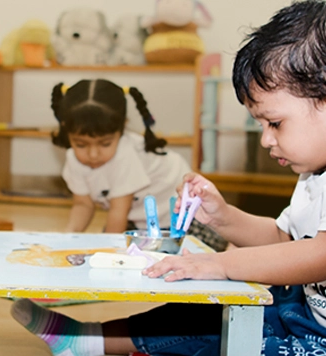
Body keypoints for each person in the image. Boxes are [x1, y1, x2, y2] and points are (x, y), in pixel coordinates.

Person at [12, 1, 326, 356]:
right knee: (222, 315)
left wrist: (218, 264)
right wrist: (222, 217)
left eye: (274, 123)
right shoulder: (322, 169)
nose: (266, 139)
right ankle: (86, 339)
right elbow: (284, 238)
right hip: (320, 327)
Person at [51, 78, 226, 250]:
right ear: (67, 131)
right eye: (81, 144)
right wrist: (68, 236)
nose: (93, 154)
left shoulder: (125, 154)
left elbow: (118, 212)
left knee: (185, 257)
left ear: (122, 129)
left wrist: (105, 253)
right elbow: (83, 204)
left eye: (105, 144)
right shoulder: (73, 157)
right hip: (138, 219)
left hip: (182, 219)